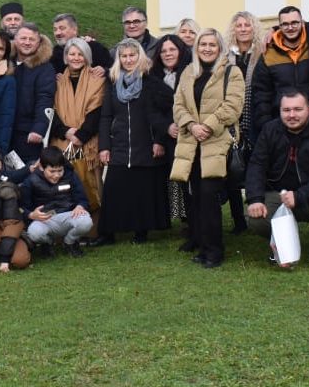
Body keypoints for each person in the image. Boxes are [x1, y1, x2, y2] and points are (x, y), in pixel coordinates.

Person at [170, 28, 245, 268]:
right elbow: (178, 105)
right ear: (196, 47)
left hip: (217, 142)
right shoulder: (188, 72)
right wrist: (191, 125)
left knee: (209, 198)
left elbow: (233, 106)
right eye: (203, 44)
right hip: (191, 143)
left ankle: (214, 252)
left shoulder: (232, 72)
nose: (207, 48)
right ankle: (202, 246)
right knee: (195, 198)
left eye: (212, 44)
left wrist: (207, 126)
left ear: (220, 47)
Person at [244, 89, 309, 268]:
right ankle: (282, 243)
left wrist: (299, 196)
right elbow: (256, 165)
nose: (291, 115)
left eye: (298, 109)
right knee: (255, 218)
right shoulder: (269, 131)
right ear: (280, 111)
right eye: (286, 110)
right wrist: (255, 199)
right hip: (278, 194)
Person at [95, 39, 167, 245]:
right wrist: (104, 147)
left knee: (141, 191)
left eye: (132, 56)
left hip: (145, 144)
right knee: (113, 190)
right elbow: (106, 117)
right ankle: (108, 233)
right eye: (124, 56)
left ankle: (140, 232)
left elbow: (162, 113)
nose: (128, 60)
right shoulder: (112, 82)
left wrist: (159, 140)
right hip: (119, 146)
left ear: (140, 57)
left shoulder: (150, 81)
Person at [51, 37, 106, 235]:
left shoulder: (97, 80)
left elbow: (97, 110)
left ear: (87, 57)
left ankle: (92, 230)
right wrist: (65, 131)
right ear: (65, 57)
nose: (76, 57)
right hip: (62, 140)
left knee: (89, 184)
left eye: (80, 53)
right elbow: (52, 111)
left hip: (87, 142)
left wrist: (80, 135)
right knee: (62, 184)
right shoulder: (57, 81)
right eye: (71, 53)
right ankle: (63, 229)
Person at [249, 6, 309, 135]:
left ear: (302, 23)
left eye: (294, 23)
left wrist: (274, 28)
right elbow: (261, 93)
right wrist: (266, 126)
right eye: (285, 24)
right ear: (280, 27)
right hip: (281, 126)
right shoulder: (268, 53)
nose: (290, 27)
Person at [149, 33, 189, 238]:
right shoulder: (153, 76)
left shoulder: (191, 71)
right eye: (163, 51)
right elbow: (152, 110)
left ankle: (194, 219)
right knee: (175, 179)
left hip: (191, 133)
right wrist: (166, 127)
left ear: (180, 51)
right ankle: (183, 220)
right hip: (169, 136)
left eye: (172, 49)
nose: (167, 54)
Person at [224, 11, 260, 235]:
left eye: (247, 25)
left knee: (257, 169)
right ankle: (239, 220)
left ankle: (259, 212)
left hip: (256, 117)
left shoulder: (262, 53)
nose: (243, 29)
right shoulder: (227, 56)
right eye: (239, 25)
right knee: (232, 169)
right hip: (232, 120)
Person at [21, 146, 93, 257]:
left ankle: (70, 242)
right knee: (34, 233)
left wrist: (80, 206)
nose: (56, 175)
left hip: (68, 214)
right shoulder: (30, 181)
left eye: (60, 170)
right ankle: (47, 243)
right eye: (52, 171)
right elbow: (22, 208)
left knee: (86, 222)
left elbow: (82, 198)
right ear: (41, 167)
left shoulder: (71, 175)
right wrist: (31, 215)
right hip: (45, 218)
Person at [9, 22, 56, 168]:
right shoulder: (5, 61)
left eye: (32, 39)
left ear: (39, 43)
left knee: (26, 173)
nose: (27, 42)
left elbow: (45, 98)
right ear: (15, 39)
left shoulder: (44, 68)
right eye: (23, 38)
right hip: (4, 130)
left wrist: (38, 128)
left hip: (28, 134)